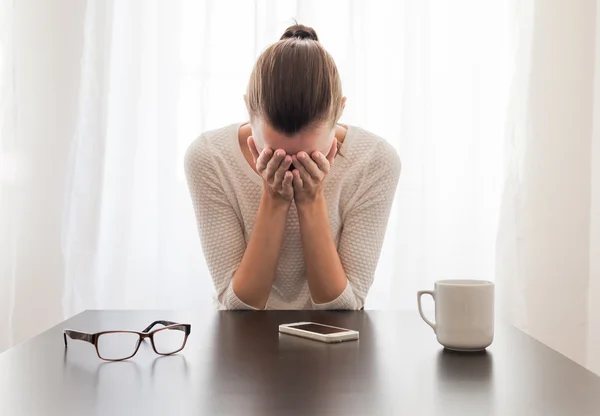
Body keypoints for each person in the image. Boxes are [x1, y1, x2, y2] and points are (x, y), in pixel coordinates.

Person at [185, 24, 401, 310]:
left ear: (340, 111)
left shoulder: (375, 161)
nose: (290, 164)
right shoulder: (210, 158)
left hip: (335, 348)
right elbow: (239, 306)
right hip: (241, 345)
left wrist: (311, 199)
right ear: (249, 109)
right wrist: (274, 199)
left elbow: (344, 307)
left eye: (307, 154)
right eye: (275, 152)